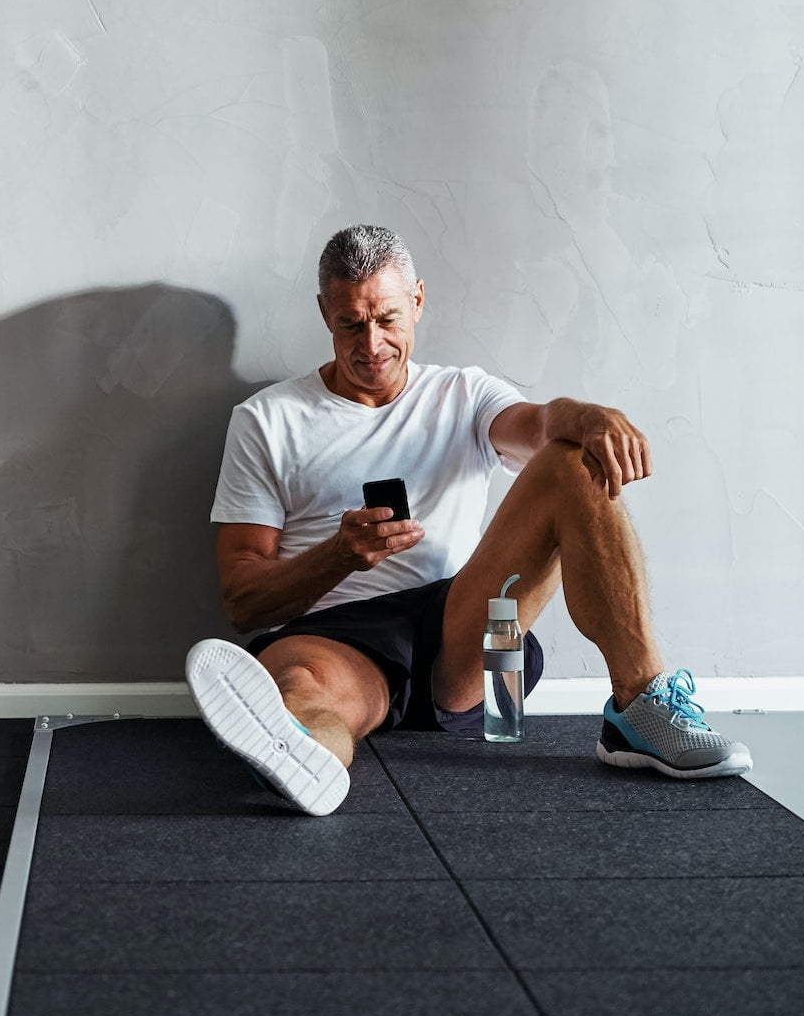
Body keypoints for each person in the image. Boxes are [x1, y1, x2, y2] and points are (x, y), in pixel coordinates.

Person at [184, 224, 751, 815]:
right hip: (335, 640)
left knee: (568, 458)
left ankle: (639, 707)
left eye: (388, 318)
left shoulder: (462, 392)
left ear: (419, 301)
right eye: (351, 322)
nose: (371, 343)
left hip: (460, 628)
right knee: (302, 693)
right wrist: (339, 555)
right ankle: (298, 757)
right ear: (324, 312)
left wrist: (586, 416)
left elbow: (537, 424)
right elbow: (243, 600)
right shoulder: (266, 420)